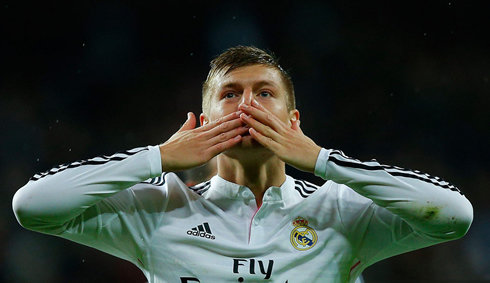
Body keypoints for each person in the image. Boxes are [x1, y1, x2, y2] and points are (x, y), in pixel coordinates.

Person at [12, 46, 473, 283]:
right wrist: (159, 157)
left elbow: (454, 216)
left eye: (265, 94)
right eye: (230, 94)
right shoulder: (157, 209)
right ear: (203, 121)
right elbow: (32, 206)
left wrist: (323, 161)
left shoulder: (341, 211)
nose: (247, 106)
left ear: (293, 121)